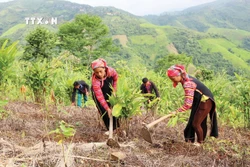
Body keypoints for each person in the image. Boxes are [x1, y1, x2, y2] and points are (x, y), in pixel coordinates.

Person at [167, 65, 218, 145]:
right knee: (199, 122)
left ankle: (199, 143)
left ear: (179, 75)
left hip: (205, 101)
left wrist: (176, 112)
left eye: (173, 78)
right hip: (202, 100)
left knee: (196, 123)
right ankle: (199, 141)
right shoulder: (185, 78)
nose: (172, 80)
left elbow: (188, 104)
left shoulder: (187, 84)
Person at [91, 58, 119, 131]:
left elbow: (116, 79)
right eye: (97, 72)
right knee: (104, 110)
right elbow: (100, 97)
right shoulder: (95, 82)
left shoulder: (111, 71)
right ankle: (110, 129)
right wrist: (107, 109)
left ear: (104, 68)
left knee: (114, 107)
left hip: (109, 87)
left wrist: (114, 90)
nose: (99, 74)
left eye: (101, 71)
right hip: (98, 93)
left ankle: (117, 128)